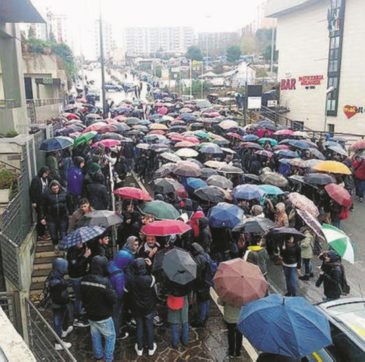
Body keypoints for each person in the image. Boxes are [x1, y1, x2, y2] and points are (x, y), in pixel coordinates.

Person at [81, 256, 117, 362]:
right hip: (103, 316)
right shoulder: (104, 282)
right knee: (110, 337)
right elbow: (113, 299)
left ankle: (98, 357)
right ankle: (108, 359)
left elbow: (81, 296)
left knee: (95, 336)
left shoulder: (84, 279)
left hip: (90, 315)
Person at [125, 258, 157, 357]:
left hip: (136, 308)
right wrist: (150, 266)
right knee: (149, 326)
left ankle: (139, 348)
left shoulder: (131, 280)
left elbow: (126, 291)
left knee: (139, 326)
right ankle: (151, 348)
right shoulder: (150, 279)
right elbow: (154, 278)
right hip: (149, 307)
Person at [107, 250, 134, 339]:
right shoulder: (119, 275)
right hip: (116, 298)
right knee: (116, 314)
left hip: (108, 293)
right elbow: (120, 292)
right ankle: (116, 333)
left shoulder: (111, 264)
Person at [48, 258, 73, 350]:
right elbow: (58, 297)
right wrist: (66, 300)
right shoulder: (56, 282)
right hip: (58, 305)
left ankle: (62, 332)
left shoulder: (56, 275)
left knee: (61, 319)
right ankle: (58, 342)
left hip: (59, 304)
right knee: (58, 322)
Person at [66, 242, 91, 328]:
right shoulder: (72, 252)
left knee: (82, 296)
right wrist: (85, 256)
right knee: (79, 297)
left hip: (82, 274)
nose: (81, 243)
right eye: (79, 242)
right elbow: (75, 266)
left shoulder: (84, 247)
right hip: (76, 276)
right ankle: (77, 317)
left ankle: (81, 312)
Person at [191, 242, 214, 327]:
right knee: (206, 299)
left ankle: (201, 320)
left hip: (201, 283)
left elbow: (196, 273)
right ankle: (206, 315)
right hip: (207, 281)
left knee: (201, 302)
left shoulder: (198, 258)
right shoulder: (206, 255)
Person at [41, 180, 68, 248]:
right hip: (51, 218)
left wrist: (69, 212)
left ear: (59, 187)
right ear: (51, 188)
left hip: (63, 217)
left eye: (57, 188)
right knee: (53, 234)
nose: (56, 190)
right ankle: (55, 244)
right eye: (54, 189)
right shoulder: (46, 194)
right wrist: (42, 217)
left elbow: (69, 202)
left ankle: (63, 247)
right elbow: (42, 206)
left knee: (63, 233)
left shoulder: (64, 192)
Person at [29, 166, 50, 239]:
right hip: (38, 201)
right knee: (40, 217)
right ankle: (41, 233)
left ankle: (43, 231)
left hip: (44, 201)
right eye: (45, 173)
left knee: (43, 216)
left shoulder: (46, 179)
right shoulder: (36, 179)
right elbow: (32, 191)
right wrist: (34, 201)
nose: (46, 175)